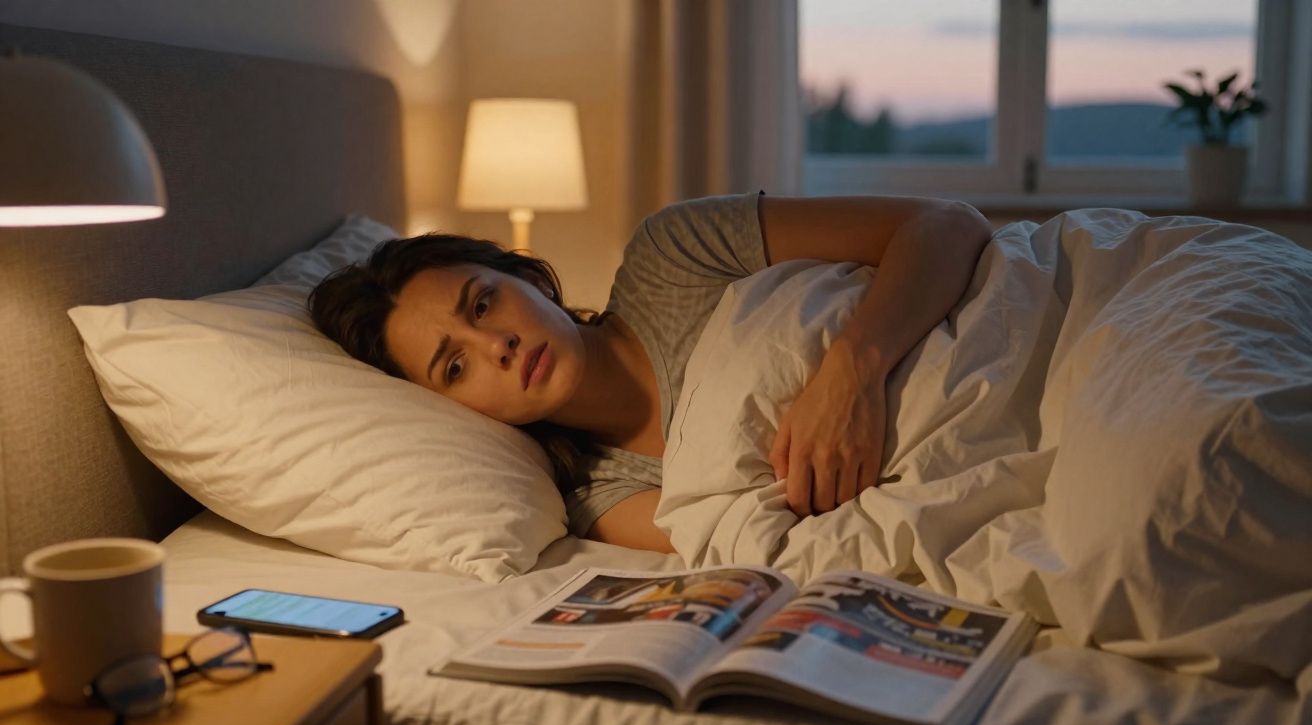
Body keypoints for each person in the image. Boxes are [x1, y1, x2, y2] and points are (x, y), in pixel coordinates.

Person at [309, 192, 992, 553]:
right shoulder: (602, 500)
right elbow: (786, 544)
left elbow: (945, 224)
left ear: (528, 278)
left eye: (484, 302)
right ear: (453, 410)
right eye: (455, 365)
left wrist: (852, 373)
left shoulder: (673, 256)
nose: (498, 346)